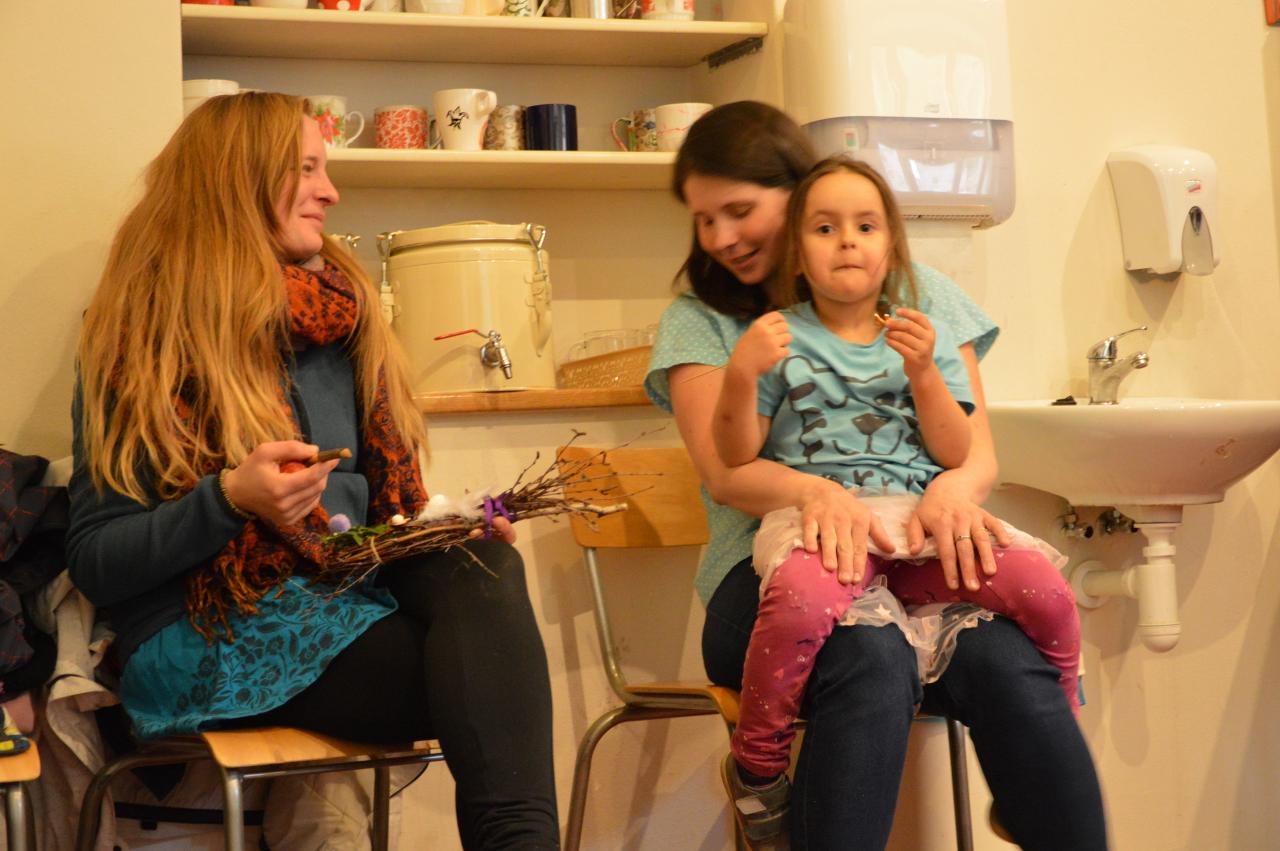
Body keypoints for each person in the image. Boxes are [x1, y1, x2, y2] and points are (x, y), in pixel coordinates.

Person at [66, 92, 559, 851]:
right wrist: (230, 499)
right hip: (203, 629)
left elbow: (377, 521)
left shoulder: (343, 318)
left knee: (482, 565)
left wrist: (438, 527)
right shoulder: (143, 339)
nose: (330, 192)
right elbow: (98, 561)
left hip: (343, 596)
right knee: (486, 684)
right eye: (306, 169)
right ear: (238, 180)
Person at [645, 101, 1107, 850]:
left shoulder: (916, 293)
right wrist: (817, 492)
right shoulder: (706, 319)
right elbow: (727, 474)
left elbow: (975, 451)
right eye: (704, 219)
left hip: (914, 551)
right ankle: (762, 782)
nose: (721, 237)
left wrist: (951, 492)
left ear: (799, 194)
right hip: (767, 578)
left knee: (1007, 657)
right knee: (872, 655)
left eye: (740, 211)